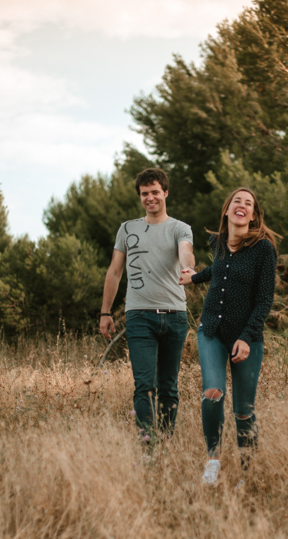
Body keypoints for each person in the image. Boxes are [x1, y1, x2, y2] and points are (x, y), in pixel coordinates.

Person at [179, 187, 279, 485]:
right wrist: (195, 277)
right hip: (211, 330)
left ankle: (249, 474)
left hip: (247, 337)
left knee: (243, 411)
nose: (242, 205)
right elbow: (221, 269)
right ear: (227, 210)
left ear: (253, 214)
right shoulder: (219, 243)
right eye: (237, 201)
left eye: (248, 203)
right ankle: (213, 461)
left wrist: (247, 337)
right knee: (212, 393)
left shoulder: (264, 249)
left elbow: (264, 300)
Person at [100, 167, 195, 445]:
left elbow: (185, 251)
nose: (150, 198)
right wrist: (105, 312)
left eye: (155, 192)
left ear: (165, 192)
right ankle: (148, 444)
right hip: (139, 317)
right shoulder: (127, 229)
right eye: (145, 194)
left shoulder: (180, 228)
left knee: (168, 387)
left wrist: (189, 268)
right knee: (144, 386)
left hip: (175, 316)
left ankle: (166, 442)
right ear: (140, 196)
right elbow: (114, 272)